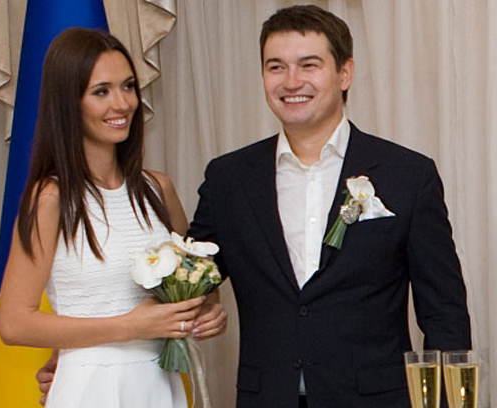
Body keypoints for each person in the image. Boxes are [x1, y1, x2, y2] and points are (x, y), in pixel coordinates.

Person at [187, 5, 471, 408]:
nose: (291, 81)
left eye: (309, 65)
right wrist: (203, 305)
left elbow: (444, 311)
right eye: (276, 67)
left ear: (345, 73)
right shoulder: (228, 178)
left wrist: (445, 401)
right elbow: (192, 273)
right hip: (268, 398)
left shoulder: (407, 174)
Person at [0, 28, 226, 408]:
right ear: (68, 102)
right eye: (101, 91)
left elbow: (201, 282)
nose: (122, 104)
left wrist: (208, 312)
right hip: (89, 387)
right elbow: (14, 323)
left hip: (160, 383)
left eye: (128, 87)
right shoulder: (51, 198)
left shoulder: (159, 189)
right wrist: (128, 327)